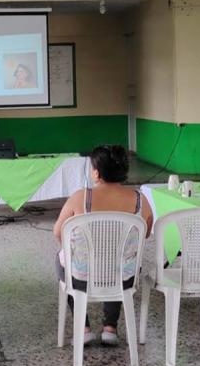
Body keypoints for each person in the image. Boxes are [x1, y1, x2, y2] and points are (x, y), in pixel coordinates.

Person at [53, 144, 153, 346]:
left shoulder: (80, 198)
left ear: (96, 173)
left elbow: (59, 232)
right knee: (118, 259)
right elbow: (146, 235)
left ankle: (84, 329)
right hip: (123, 279)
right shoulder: (140, 200)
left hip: (81, 279)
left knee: (61, 259)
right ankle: (110, 328)